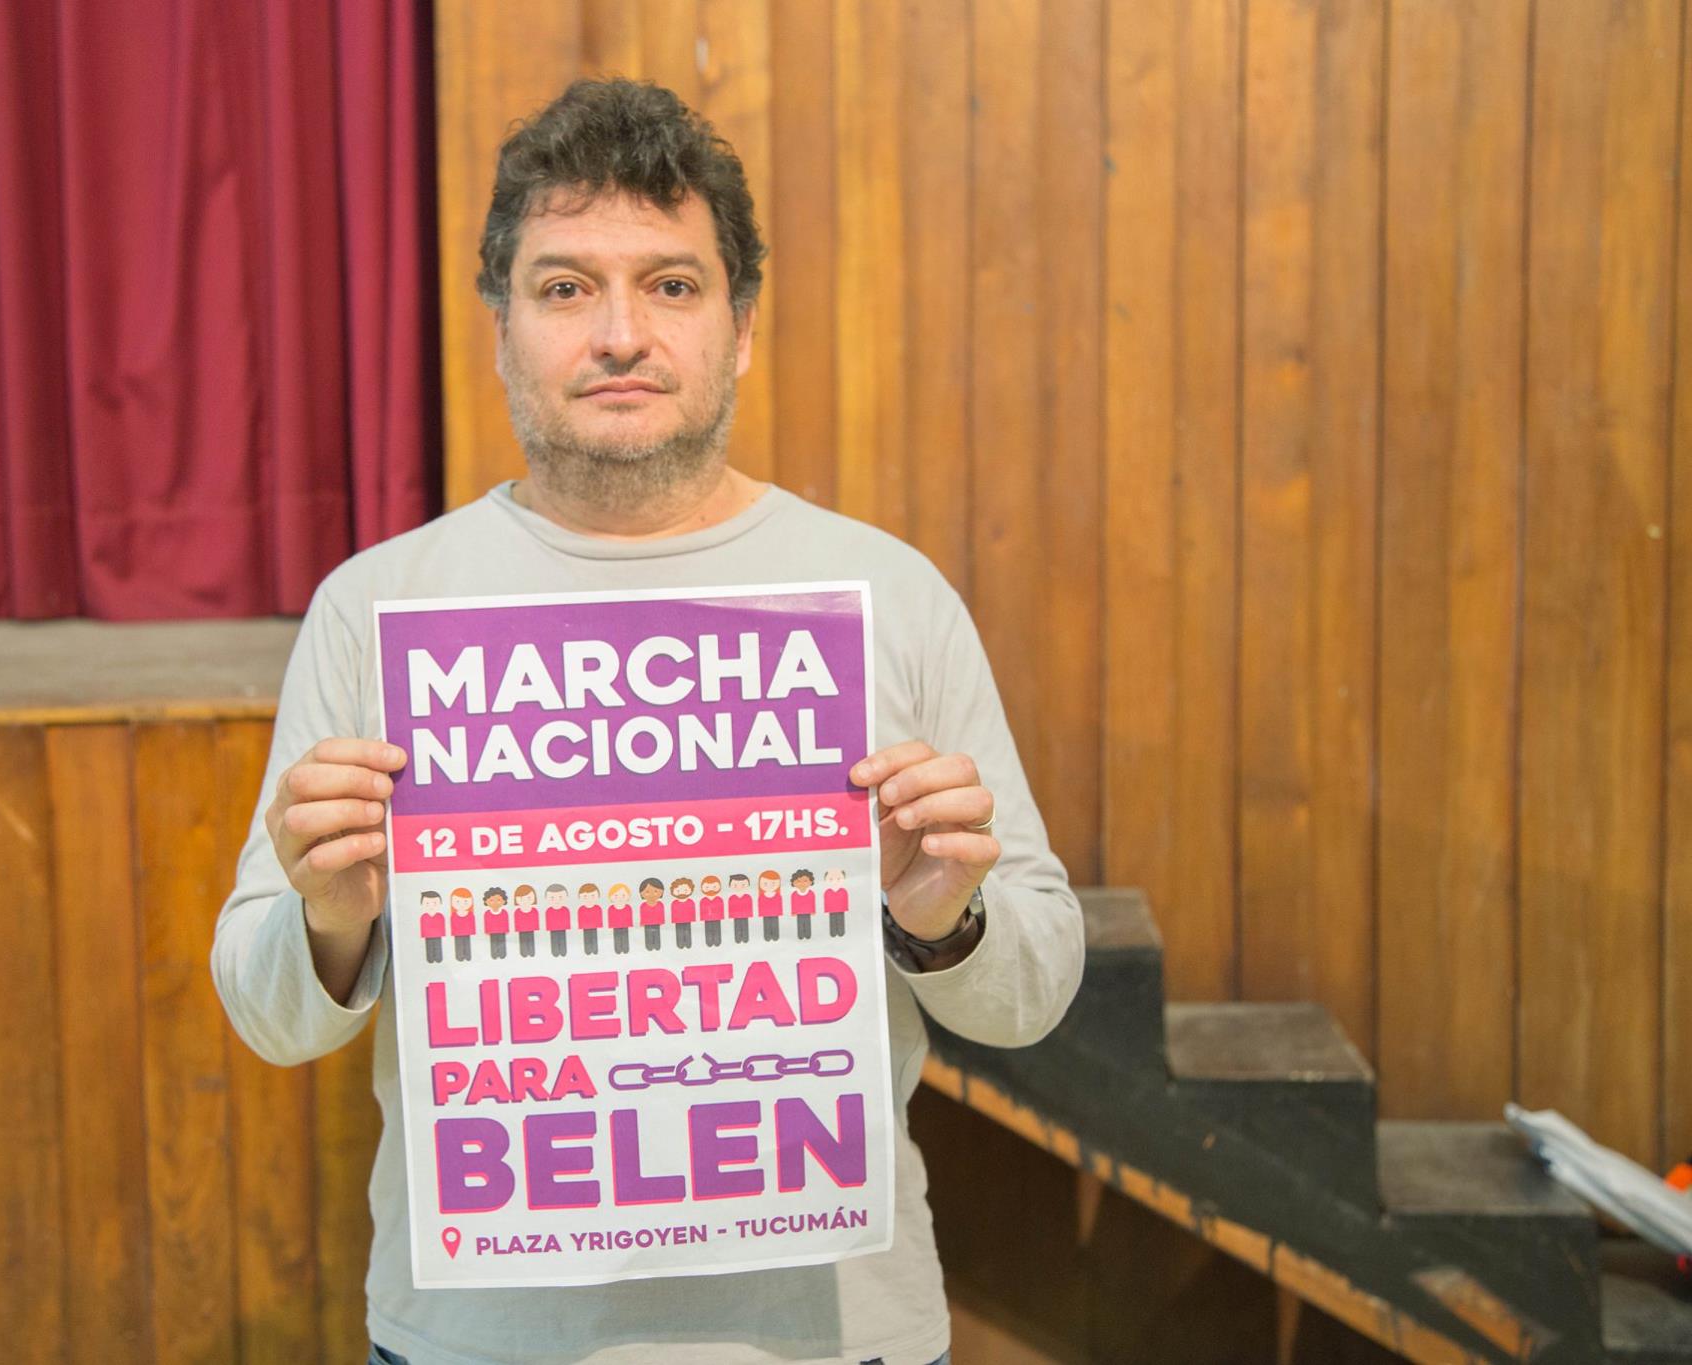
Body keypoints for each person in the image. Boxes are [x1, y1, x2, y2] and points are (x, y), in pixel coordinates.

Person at [210, 77, 1084, 1365]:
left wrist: (941, 919)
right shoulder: (377, 608)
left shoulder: (889, 596)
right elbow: (273, 1018)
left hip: (837, 1341)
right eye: (566, 288)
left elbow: (1033, 997)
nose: (621, 334)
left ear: (741, 329)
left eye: (672, 285)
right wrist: (333, 920)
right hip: (477, 1343)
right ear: (502, 329)